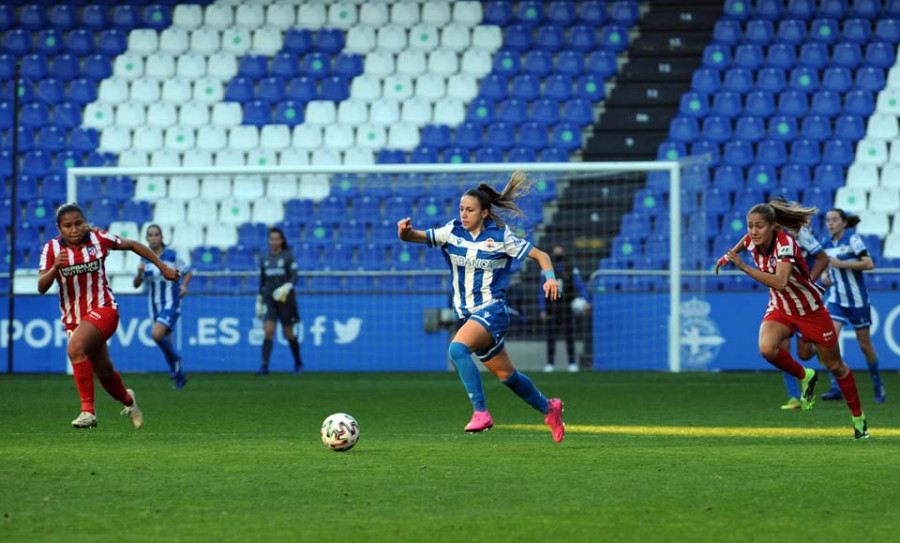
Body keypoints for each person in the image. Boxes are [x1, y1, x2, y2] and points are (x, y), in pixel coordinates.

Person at [397, 170, 566, 443]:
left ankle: (481, 412)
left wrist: (550, 278)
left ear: (484, 212)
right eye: (462, 209)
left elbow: (541, 255)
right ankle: (550, 408)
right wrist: (405, 233)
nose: (464, 214)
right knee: (507, 376)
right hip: (469, 315)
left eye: (470, 210)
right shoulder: (452, 232)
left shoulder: (501, 237)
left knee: (456, 348)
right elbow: (416, 237)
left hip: (493, 310)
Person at [715, 199, 869, 439]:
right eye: (750, 226)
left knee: (836, 367)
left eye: (759, 226)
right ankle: (806, 375)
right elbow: (744, 243)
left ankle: (858, 419)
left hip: (810, 310)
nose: (753, 232)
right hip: (781, 308)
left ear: (773, 227)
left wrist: (743, 267)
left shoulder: (785, 243)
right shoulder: (752, 240)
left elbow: (781, 281)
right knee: (766, 349)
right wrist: (729, 256)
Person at [38, 203, 180, 429]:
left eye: (78, 223)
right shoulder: (52, 250)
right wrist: (55, 269)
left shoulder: (98, 238)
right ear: (59, 228)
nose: (74, 229)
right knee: (103, 371)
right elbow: (41, 286)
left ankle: (88, 412)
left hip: (105, 309)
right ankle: (129, 401)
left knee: (75, 349)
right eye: (68, 226)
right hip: (75, 319)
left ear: (85, 222)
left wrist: (163, 268)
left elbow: (132, 245)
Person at [718, 220, 829, 410]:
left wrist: (809, 281)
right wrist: (730, 255)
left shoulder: (799, 235)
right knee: (777, 348)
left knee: (803, 354)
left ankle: (818, 351)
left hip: (803, 304)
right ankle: (794, 396)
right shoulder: (764, 237)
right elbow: (747, 240)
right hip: (782, 303)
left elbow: (822, 258)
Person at [818, 209, 886, 403]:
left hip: (857, 302)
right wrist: (824, 276)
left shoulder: (853, 240)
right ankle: (836, 386)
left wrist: (842, 264)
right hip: (836, 300)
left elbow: (869, 263)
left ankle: (877, 383)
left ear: (844, 223)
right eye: (827, 220)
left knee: (865, 346)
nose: (830, 223)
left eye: (834, 220)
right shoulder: (825, 243)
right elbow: (824, 267)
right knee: (827, 342)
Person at [132, 224, 192, 389]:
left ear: (161, 237)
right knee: (167, 341)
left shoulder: (172, 256)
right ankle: (179, 376)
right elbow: (137, 284)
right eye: (150, 235)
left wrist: (184, 286)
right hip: (154, 306)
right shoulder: (144, 258)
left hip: (171, 303)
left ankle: (176, 360)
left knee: (156, 334)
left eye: (156, 235)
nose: (153, 238)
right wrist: (139, 273)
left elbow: (188, 271)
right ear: (146, 239)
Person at [255, 227, 303, 375]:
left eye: (277, 238)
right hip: (269, 299)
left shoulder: (288, 256)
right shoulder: (265, 258)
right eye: (272, 238)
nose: (274, 241)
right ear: (268, 241)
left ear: (282, 240)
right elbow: (262, 280)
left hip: (285, 299)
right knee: (268, 330)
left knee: (288, 333)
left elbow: (295, 277)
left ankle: (298, 362)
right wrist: (259, 298)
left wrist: (287, 286)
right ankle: (264, 365)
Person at [539, 245, 591, 373]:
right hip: (552, 307)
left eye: (560, 253)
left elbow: (580, 286)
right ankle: (550, 363)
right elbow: (541, 291)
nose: (558, 256)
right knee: (551, 337)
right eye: (556, 253)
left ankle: (572, 363)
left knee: (569, 336)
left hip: (566, 306)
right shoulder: (546, 270)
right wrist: (542, 309)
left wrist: (588, 300)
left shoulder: (572, 270)